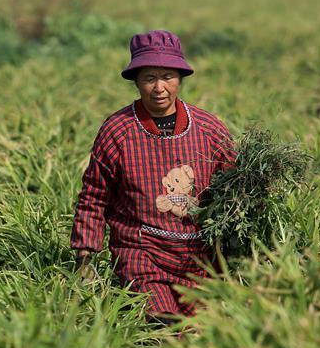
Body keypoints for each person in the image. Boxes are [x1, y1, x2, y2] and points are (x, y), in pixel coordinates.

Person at [71, 30, 236, 322]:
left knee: (204, 326)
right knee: (160, 320)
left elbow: (235, 186)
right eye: (149, 78)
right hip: (140, 251)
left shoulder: (209, 129)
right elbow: (95, 195)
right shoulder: (118, 131)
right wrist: (85, 253)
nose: (159, 87)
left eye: (168, 77)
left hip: (199, 256)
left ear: (180, 79)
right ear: (136, 81)